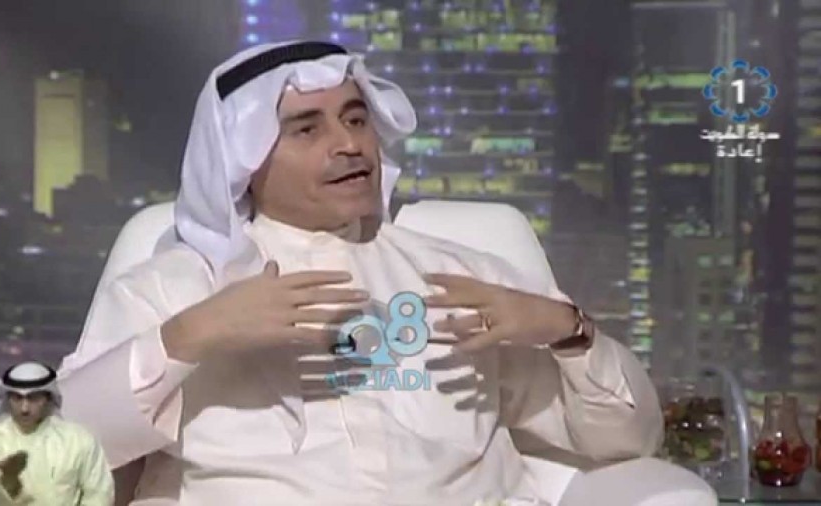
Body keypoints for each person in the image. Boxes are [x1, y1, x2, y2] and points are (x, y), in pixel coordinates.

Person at [57, 40, 713, 505]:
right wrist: (189, 338)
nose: (348, 144)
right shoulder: (175, 287)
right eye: (307, 130)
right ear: (243, 161)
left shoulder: (464, 277)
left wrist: (568, 332)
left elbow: (626, 440)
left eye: (355, 119)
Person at [0, 361, 115, 505]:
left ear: (48, 398)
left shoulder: (79, 440)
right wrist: (9, 480)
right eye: (17, 398)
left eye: (33, 398)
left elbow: (99, 494)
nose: (24, 409)